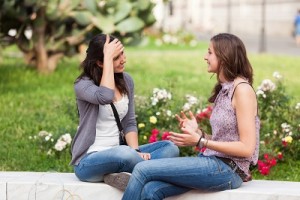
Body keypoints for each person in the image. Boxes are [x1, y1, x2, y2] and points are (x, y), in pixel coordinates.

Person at [122, 33, 260, 200]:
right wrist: (199, 134)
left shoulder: (242, 90)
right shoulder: (226, 89)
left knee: (142, 169)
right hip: (214, 163)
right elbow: (227, 139)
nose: (205, 57)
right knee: (151, 190)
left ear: (224, 56)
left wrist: (200, 141)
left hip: (227, 169)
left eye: (210, 52)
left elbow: (246, 148)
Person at [70, 34, 179, 191]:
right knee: (124, 154)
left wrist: (135, 151)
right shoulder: (83, 85)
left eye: (122, 53)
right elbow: (105, 96)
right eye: (115, 57)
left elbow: (129, 122)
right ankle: (143, 172)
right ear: (100, 62)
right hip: (90, 160)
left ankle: (119, 174)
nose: (123, 59)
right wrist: (131, 154)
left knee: (170, 147)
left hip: (125, 153)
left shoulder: (126, 80)